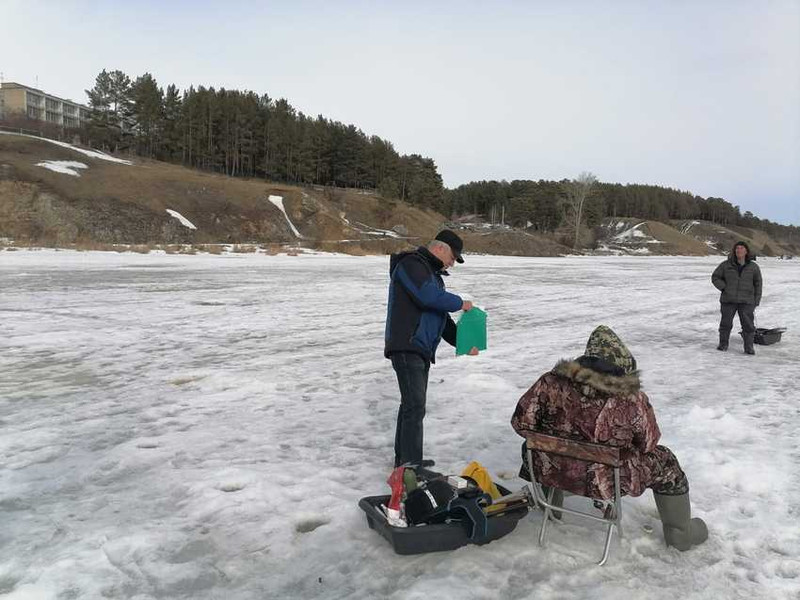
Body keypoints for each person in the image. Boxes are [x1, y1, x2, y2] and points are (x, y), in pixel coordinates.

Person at [511, 325, 708, 551]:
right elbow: (648, 443)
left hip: (550, 468)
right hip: (606, 476)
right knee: (666, 461)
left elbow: (521, 424)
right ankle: (680, 532)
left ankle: (550, 509)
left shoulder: (549, 382)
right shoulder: (631, 398)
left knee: (539, 447)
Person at [385, 229, 479, 468]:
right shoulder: (411, 265)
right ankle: (410, 464)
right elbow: (428, 298)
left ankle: (405, 461)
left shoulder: (432, 276)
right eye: (452, 258)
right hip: (407, 345)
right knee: (415, 406)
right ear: (440, 249)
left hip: (420, 349)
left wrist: (464, 343)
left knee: (411, 407)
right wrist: (461, 303)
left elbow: (442, 318)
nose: (452, 264)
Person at [712, 241, 763, 354]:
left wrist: (756, 300)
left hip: (747, 301)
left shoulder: (753, 267)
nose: (738, 250)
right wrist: (724, 288)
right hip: (728, 300)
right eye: (737, 248)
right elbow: (715, 277)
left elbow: (758, 284)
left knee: (748, 325)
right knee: (725, 324)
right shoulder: (725, 265)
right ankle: (723, 344)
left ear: (746, 251)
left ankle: (749, 347)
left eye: (741, 248)